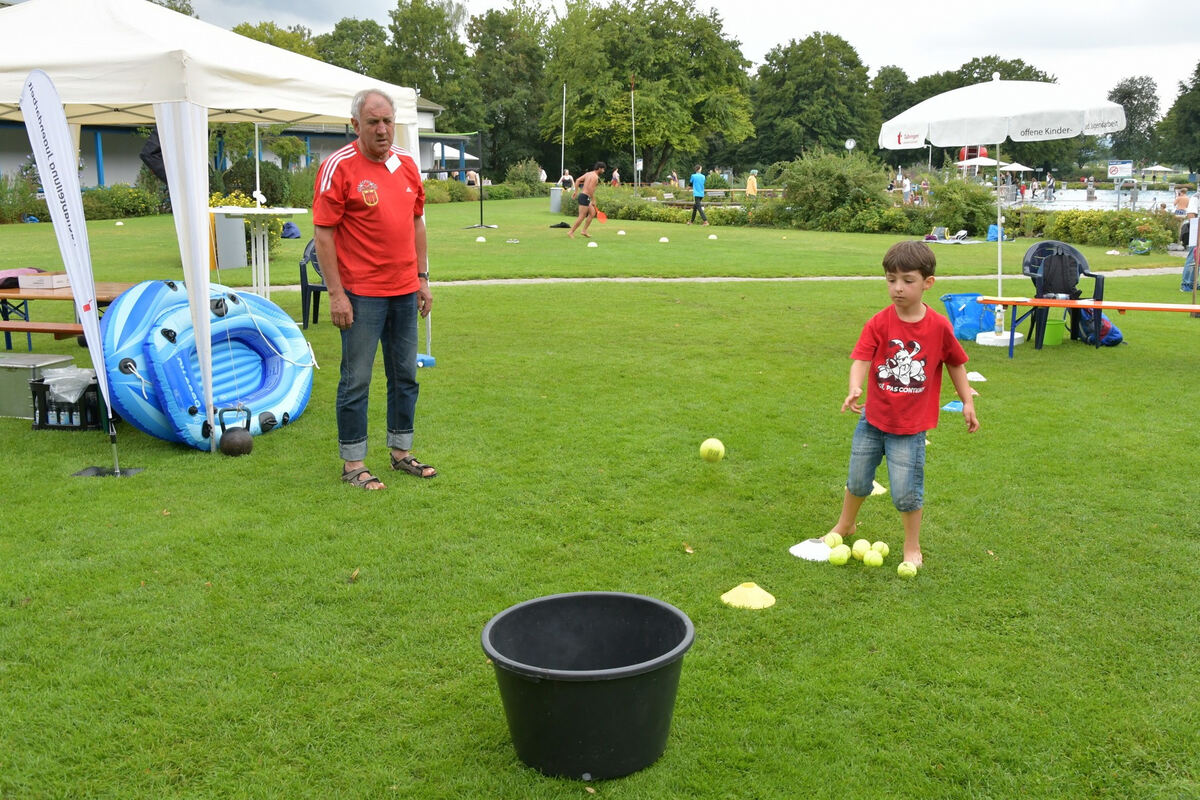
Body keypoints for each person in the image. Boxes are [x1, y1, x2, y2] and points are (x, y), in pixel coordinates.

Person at [824, 241, 979, 567]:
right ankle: (846, 524)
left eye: (907, 280)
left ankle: (912, 545)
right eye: (891, 279)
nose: (898, 288)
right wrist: (855, 387)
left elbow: (955, 363)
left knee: (907, 491)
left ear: (928, 282)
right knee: (857, 479)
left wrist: (967, 401)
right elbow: (861, 358)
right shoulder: (879, 322)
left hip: (910, 429)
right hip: (873, 420)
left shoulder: (938, 326)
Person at [313, 88, 436, 490]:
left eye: (387, 121)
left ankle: (401, 452)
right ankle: (353, 464)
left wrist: (422, 278)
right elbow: (323, 233)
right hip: (362, 294)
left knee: (405, 375)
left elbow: (416, 222)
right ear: (355, 125)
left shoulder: (406, 164)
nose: (383, 130)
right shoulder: (338, 166)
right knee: (357, 379)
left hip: (404, 290)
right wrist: (336, 293)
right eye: (373, 122)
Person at [568, 161, 605, 238]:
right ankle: (571, 232)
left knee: (592, 213)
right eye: (603, 169)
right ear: (599, 169)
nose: (603, 171)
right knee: (582, 216)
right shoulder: (595, 177)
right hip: (584, 197)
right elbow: (590, 189)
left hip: (585, 196)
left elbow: (578, 180)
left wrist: (576, 192)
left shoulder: (588, 174)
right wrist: (593, 199)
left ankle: (584, 231)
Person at [1181, 190, 1198, 292]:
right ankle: (1186, 283)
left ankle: (1193, 282)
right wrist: (1196, 230)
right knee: (1193, 257)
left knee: (1198, 259)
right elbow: (1191, 214)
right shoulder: (1196, 197)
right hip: (1196, 230)